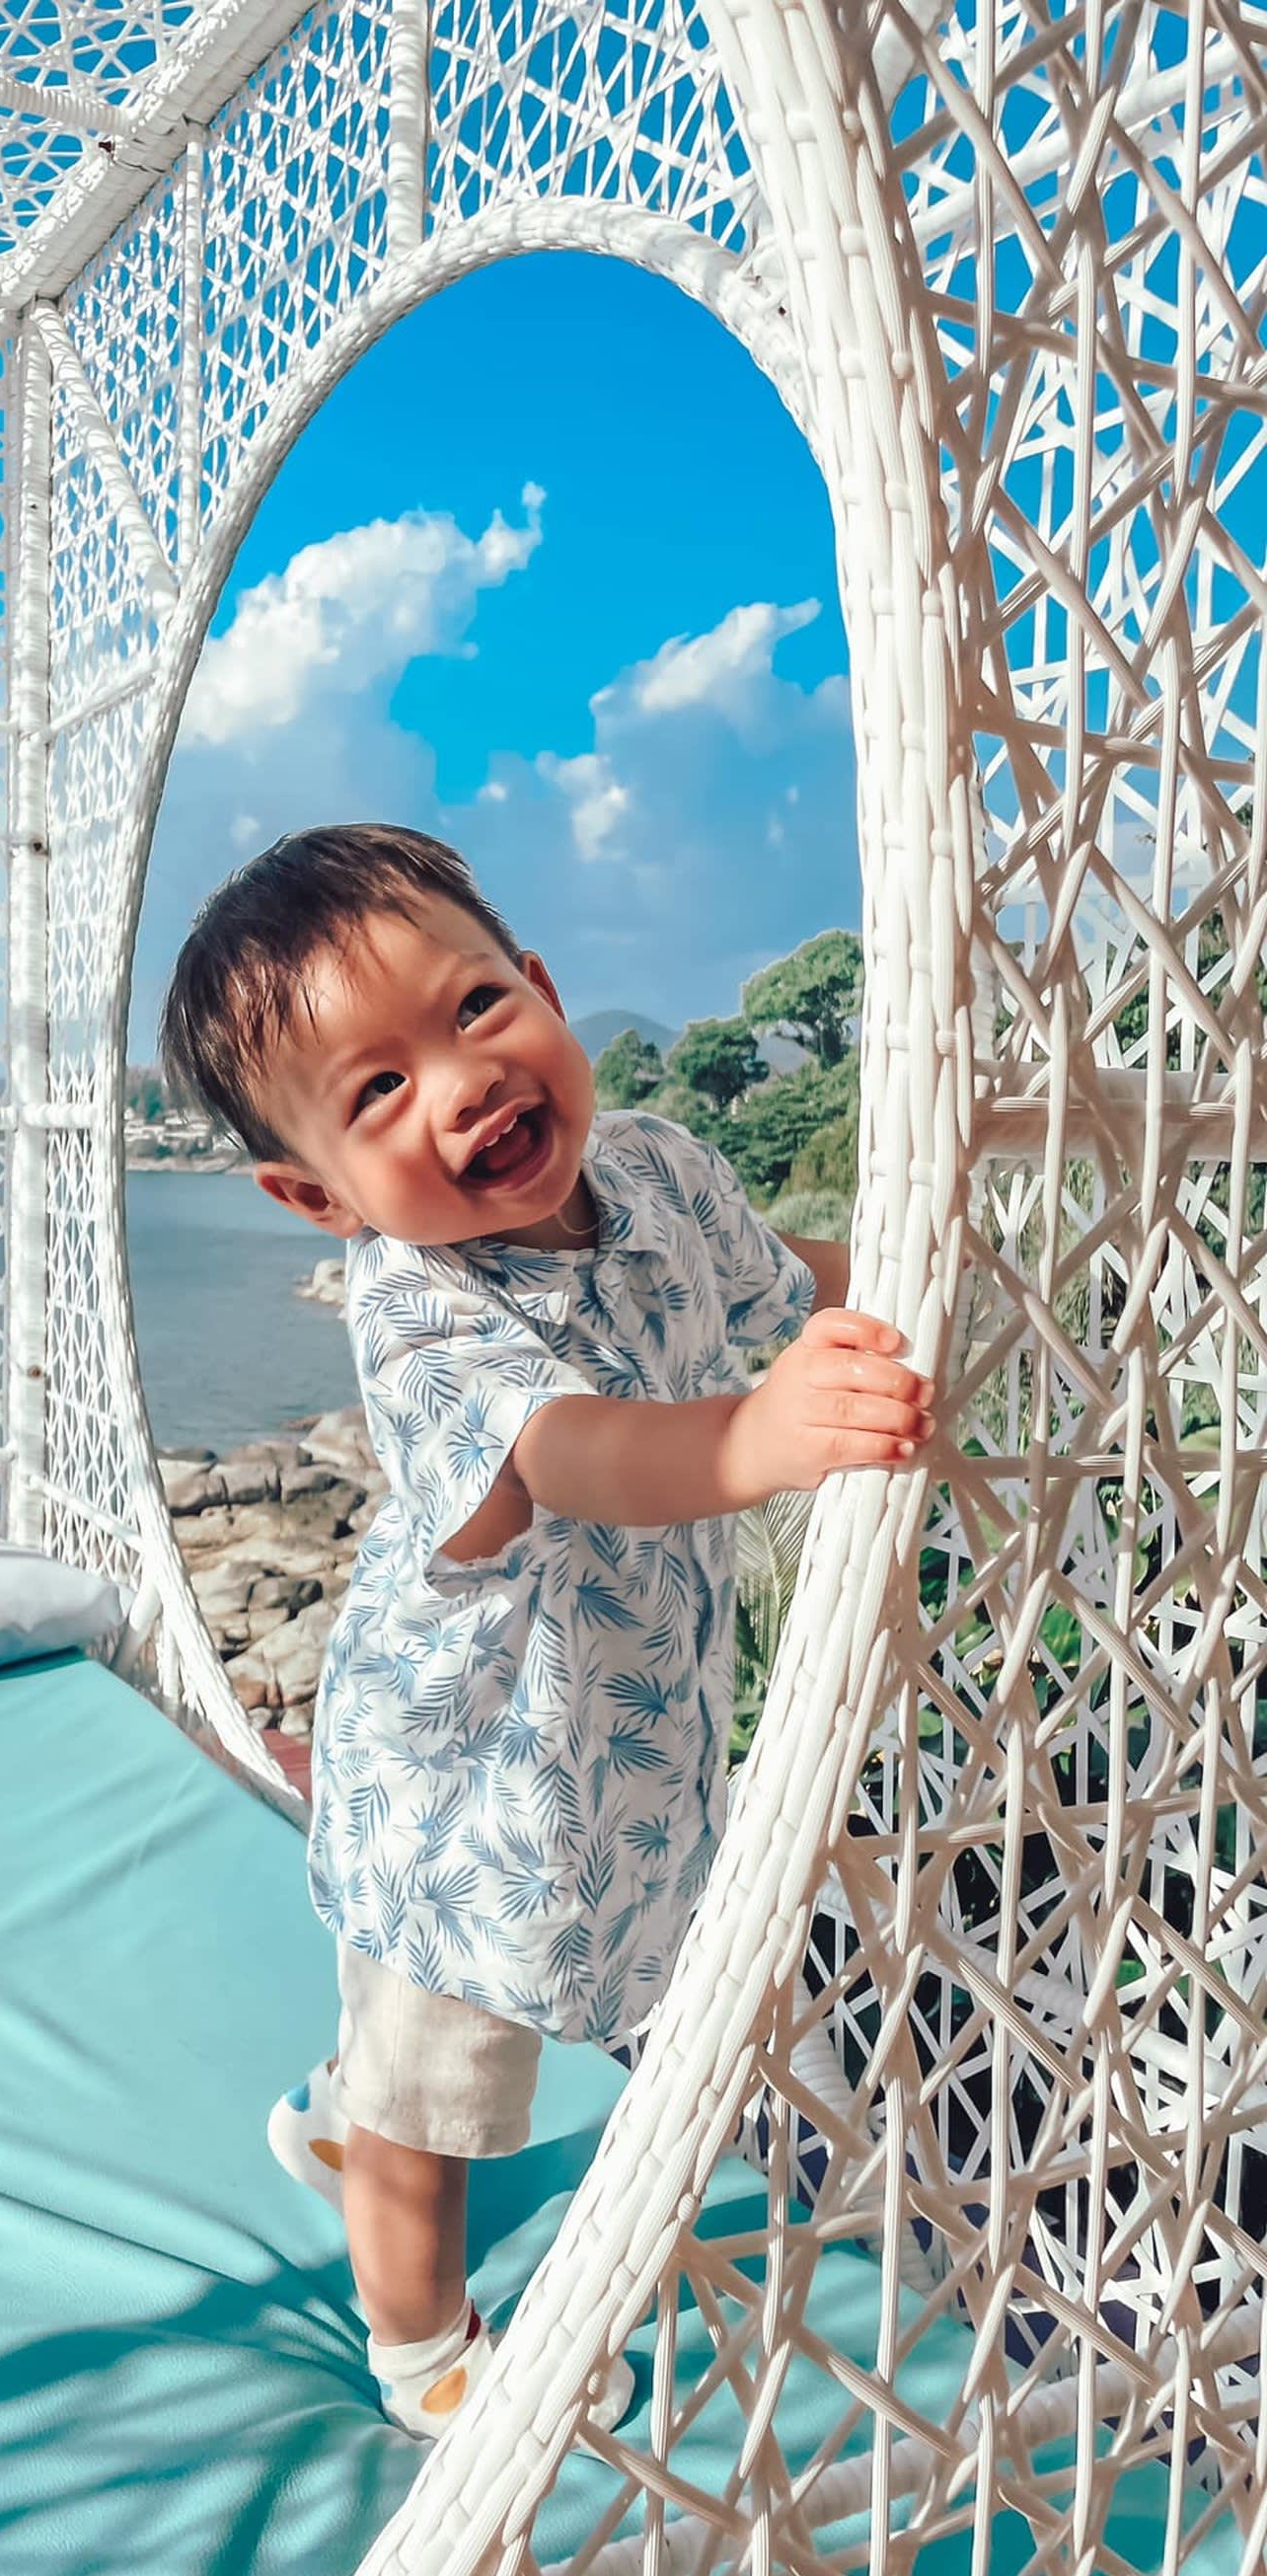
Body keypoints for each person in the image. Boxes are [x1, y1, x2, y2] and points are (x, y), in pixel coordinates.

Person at [158, 824, 933, 2446]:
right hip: (459, 1787)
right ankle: (420, 2346)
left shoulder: (657, 1168)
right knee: (440, 2084)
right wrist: (756, 1438)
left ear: (546, 988)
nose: (461, 1085)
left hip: (613, 1729)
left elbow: (771, 1282)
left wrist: (904, 1286)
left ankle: (333, 2115)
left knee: (472, 2027)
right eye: (378, 1091)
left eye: (476, 1008)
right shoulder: (417, 1307)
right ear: (315, 1196)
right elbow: (574, 1451)